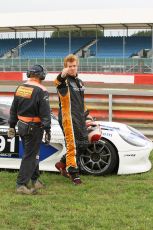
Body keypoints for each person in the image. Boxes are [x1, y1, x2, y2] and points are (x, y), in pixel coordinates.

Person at [7, 64, 51, 195]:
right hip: (34, 128)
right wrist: (47, 129)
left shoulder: (20, 88)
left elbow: (13, 109)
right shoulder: (42, 90)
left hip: (21, 125)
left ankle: (35, 180)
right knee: (30, 156)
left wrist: (11, 125)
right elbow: (45, 113)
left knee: (32, 154)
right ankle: (21, 184)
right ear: (40, 75)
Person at [54, 54, 89, 185]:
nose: (72, 68)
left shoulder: (80, 82)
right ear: (65, 67)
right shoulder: (63, 81)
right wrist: (63, 74)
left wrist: (87, 114)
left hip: (79, 117)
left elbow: (81, 101)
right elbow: (57, 81)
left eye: (74, 66)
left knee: (83, 143)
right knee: (72, 146)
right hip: (67, 118)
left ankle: (62, 164)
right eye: (70, 66)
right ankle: (74, 174)